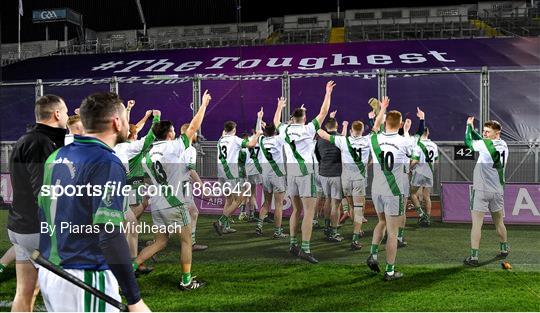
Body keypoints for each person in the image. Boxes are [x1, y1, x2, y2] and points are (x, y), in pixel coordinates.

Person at [37, 92, 150, 311]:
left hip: (52, 271)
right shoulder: (106, 162)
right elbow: (109, 233)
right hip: (85, 275)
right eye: (125, 118)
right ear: (117, 122)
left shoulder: (57, 155)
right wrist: (135, 299)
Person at [135, 90, 211, 290]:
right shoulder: (175, 146)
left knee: (160, 242)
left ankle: (132, 266)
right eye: (174, 129)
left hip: (157, 204)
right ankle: (186, 281)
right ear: (169, 133)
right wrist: (203, 105)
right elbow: (193, 127)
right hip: (175, 203)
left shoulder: (148, 155)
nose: (176, 131)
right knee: (187, 242)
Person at [9, 94, 68, 311]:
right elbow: (44, 193)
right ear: (57, 114)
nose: (68, 116)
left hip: (20, 227)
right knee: (60, 297)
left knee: (25, 292)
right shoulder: (41, 142)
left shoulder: (26, 138)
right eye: (66, 111)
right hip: (38, 230)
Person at [274, 81, 336, 264]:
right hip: (306, 173)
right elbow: (324, 112)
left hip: (291, 174)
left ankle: (293, 244)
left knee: (296, 210)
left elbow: (276, 122)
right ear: (304, 117)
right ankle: (305, 248)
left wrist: (279, 107)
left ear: (292, 118)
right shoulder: (309, 129)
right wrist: (327, 93)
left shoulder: (285, 129)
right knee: (309, 212)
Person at [366, 97, 413, 280]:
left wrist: (382, 110)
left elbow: (375, 127)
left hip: (376, 189)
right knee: (393, 233)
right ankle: (390, 271)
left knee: (381, 222)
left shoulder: (374, 139)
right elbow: (412, 155)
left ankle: (373, 254)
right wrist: (406, 131)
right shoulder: (403, 141)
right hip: (394, 191)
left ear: (385, 121)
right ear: (400, 123)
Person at [317, 119, 371, 251]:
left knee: (350, 206)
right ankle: (355, 237)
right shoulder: (368, 140)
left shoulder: (343, 140)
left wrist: (315, 124)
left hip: (344, 180)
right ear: (362, 131)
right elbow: (376, 128)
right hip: (358, 180)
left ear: (351, 131)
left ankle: (332, 226)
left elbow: (323, 134)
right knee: (358, 209)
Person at [463, 118, 509, 266]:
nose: (484, 134)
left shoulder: (484, 144)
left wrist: (469, 126)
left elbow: (468, 142)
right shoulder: (504, 144)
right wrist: (479, 133)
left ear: (497, 133)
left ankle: (474, 257)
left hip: (481, 191)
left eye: (488, 132)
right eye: (484, 131)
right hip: (497, 191)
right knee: (499, 222)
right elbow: (483, 140)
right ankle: (504, 249)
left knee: (476, 225)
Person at [214, 113, 263, 235]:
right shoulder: (235, 139)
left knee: (229, 200)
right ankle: (221, 221)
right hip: (231, 174)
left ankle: (225, 227)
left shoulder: (220, 140)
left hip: (221, 174)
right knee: (239, 199)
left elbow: (223, 134)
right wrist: (257, 134)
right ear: (234, 130)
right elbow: (251, 144)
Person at [255, 100, 288, 238]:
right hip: (277, 174)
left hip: (265, 175)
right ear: (275, 132)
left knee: (267, 202)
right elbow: (280, 125)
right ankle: (277, 231)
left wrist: (259, 118)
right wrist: (279, 107)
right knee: (279, 205)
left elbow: (258, 131)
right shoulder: (279, 139)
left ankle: (259, 226)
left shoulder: (261, 140)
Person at [179, 123, 209, 251]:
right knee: (193, 212)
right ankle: (191, 243)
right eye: (195, 131)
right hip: (183, 185)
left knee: (174, 213)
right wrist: (202, 187)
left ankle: (156, 242)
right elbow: (191, 170)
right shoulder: (190, 149)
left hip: (170, 184)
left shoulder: (175, 145)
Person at [315, 114, 344, 242]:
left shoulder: (320, 140)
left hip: (323, 173)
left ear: (326, 127)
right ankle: (333, 231)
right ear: (336, 126)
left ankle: (327, 227)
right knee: (336, 205)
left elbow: (317, 156)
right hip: (336, 173)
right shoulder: (341, 139)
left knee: (327, 199)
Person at [409, 127, 439, 227]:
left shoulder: (417, 145)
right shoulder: (434, 145)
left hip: (419, 172)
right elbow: (436, 161)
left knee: (412, 193)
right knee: (427, 196)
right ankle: (428, 218)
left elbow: (415, 160)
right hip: (429, 172)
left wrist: (409, 168)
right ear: (428, 133)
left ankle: (422, 215)